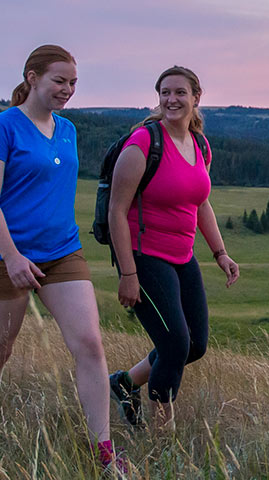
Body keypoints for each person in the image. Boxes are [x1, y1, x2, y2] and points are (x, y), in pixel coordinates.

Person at [0, 44, 123, 468]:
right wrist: (13, 257)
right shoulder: (3, 127)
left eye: (73, 82)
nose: (68, 89)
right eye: (59, 80)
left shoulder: (68, 129)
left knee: (90, 344)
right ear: (32, 77)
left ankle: (102, 453)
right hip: (4, 258)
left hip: (62, 253)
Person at [106, 66, 241, 429]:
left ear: (197, 97)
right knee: (175, 345)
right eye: (165, 92)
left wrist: (220, 252)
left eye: (180, 92)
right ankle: (162, 435)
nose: (171, 99)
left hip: (182, 256)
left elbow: (200, 203)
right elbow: (116, 211)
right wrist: (128, 274)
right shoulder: (143, 144)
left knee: (195, 345)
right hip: (142, 256)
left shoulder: (199, 145)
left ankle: (125, 383)